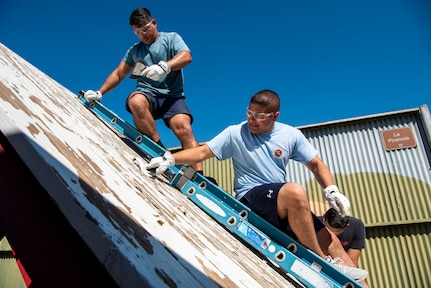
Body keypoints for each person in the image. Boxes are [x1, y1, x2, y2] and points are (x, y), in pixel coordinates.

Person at [146, 89, 368, 282]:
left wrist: (331, 189)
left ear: (275, 116)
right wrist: (171, 158)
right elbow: (204, 152)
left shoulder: (291, 135)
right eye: (249, 113)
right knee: (295, 191)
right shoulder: (235, 133)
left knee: (334, 244)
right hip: (251, 197)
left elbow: (316, 164)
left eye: (259, 116)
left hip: (280, 203)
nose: (252, 119)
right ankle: (321, 262)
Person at [83, 7, 203, 173]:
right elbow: (119, 73)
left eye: (145, 29)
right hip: (148, 93)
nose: (143, 35)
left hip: (172, 97)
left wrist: (165, 67)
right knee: (136, 101)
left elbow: (186, 56)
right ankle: (158, 150)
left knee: (183, 126)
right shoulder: (135, 51)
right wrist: (100, 92)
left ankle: (199, 175)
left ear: (153, 23)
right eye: (137, 32)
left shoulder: (171, 38)